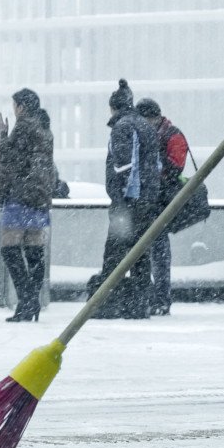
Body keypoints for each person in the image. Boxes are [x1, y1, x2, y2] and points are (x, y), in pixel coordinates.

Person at [92, 80, 160, 319]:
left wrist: (119, 197)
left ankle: (108, 304)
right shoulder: (145, 125)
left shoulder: (122, 126)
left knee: (114, 256)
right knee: (140, 255)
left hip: (127, 204)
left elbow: (123, 166)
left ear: (113, 108)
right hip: (147, 202)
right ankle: (139, 305)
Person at [0, 88, 56, 322]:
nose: (13, 110)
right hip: (40, 197)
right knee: (33, 250)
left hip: (20, 194)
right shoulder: (44, 128)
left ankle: (26, 301)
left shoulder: (23, 126)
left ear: (21, 107)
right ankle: (33, 304)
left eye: (14, 106)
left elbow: (10, 161)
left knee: (9, 249)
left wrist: (2, 137)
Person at [136, 98, 190, 316]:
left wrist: (153, 163)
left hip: (161, 202)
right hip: (148, 200)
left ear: (155, 117)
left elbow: (176, 166)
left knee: (159, 252)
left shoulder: (172, 135)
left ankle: (161, 298)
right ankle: (151, 296)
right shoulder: (153, 134)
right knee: (149, 252)